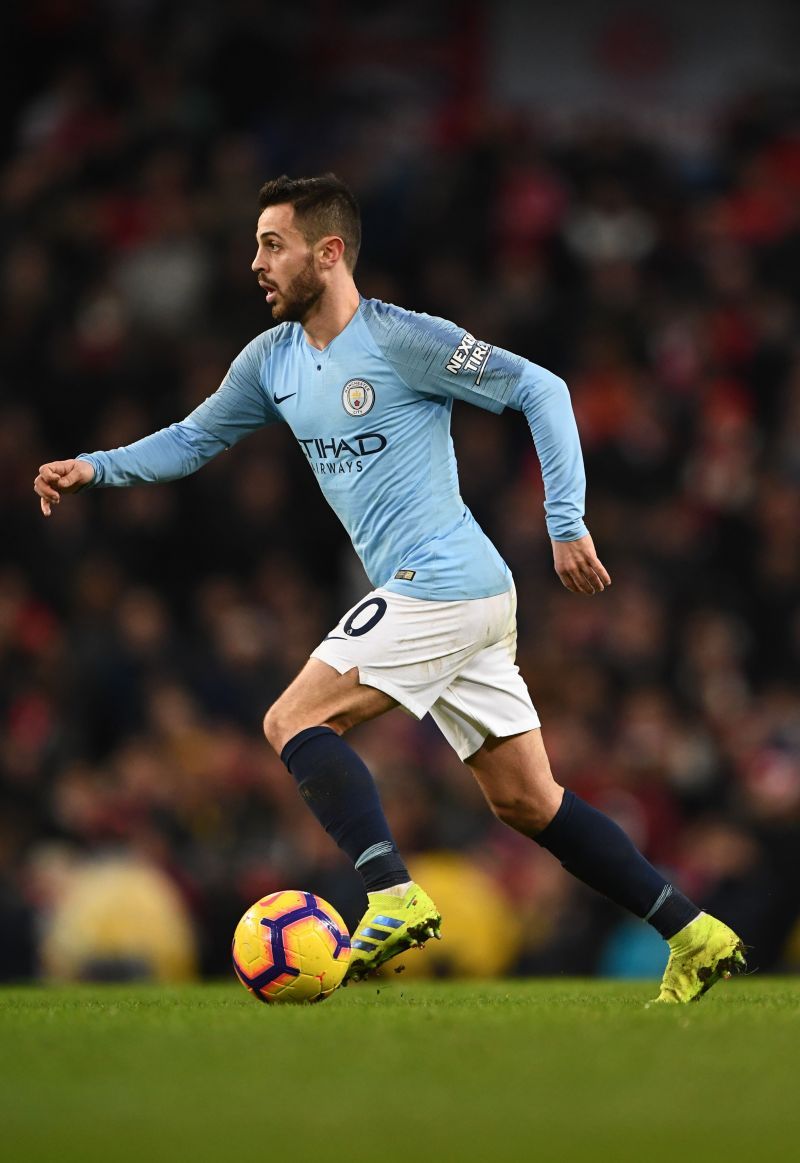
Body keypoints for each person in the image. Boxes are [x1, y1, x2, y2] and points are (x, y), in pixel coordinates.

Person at [34, 173, 745, 1002]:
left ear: (328, 253)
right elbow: (194, 438)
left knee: (291, 716)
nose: (255, 263)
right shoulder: (271, 361)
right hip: (461, 598)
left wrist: (566, 519)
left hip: (443, 581)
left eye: (273, 244)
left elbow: (539, 388)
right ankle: (694, 931)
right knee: (529, 802)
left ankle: (392, 893)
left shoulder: (403, 338)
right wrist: (98, 467)